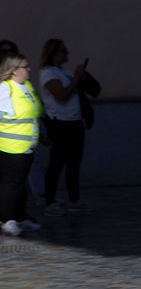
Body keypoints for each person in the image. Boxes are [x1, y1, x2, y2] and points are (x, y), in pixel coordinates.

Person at [39, 39, 93, 216]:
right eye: (63, 50)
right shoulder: (48, 73)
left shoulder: (64, 71)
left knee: (74, 163)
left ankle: (74, 200)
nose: (67, 53)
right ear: (54, 54)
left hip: (74, 122)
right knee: (57, 163)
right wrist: (76, 79)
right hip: (59, 123)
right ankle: (50, 201)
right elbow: (61, 95)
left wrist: (80, 78)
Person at [0, 54, 43, 236]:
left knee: (20, 184)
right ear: (14, 70)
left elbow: (33, 114)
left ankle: (19, 216)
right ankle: (6, 220)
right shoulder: (4, 88)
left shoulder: (27, 86)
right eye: (25, 67)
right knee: (10, 184)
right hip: (10, 146)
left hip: (26, 145)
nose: (29, 70)